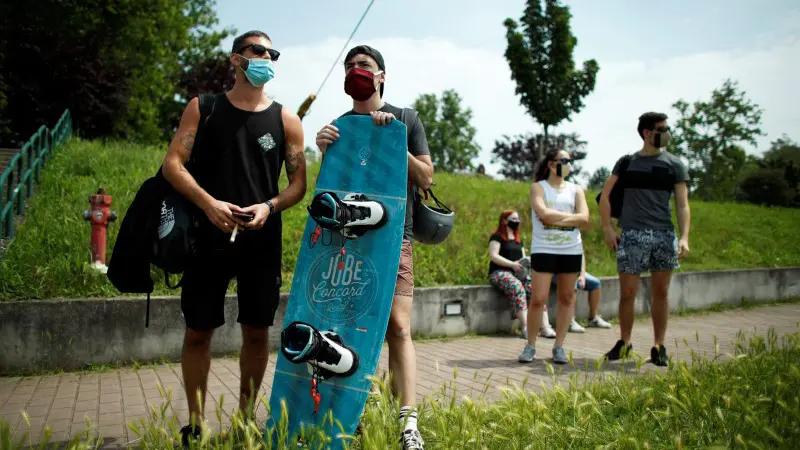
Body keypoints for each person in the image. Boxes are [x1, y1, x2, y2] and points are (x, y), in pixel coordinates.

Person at [161, 30, 307, 445]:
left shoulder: (285, 119)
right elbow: (173, 163)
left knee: (257, 332)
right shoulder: (203, 108)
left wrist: (269, 207)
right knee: (198, 332)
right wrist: (209, 204)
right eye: (258, 51)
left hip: (261, 241)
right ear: (236, 60)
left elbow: (298, 184)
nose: (267, 58)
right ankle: (195, 423)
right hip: (206, 238)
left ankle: (244, 422)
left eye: (272, 53)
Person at [314, 45, 432, 450]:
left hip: (394, 237)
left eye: (363, 66)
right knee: (348, 330)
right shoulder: (340, 125)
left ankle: (408, 424)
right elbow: (327, 191)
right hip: (346, 242)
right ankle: (353, 414)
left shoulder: (406, 119)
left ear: (381, 76)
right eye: (349, 66)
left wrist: (394, 138)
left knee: (398, 327)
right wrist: (324, 149)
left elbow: (427, 177)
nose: (355, 71)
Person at [599, 111, 690, 367]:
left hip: (664, 235)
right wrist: (607, 228)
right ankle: (624, 342)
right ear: (647, 133)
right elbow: (605, 195)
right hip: (631, 235)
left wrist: (684, 237)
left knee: (661, 292)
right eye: (662, 128)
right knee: (628, 293)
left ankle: (659, 346)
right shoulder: (626, 163)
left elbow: (683, 205)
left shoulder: (675, 164)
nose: (667, 132)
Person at [519, 148, 590, 365]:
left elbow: (585, 218)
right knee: (538, 298)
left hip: (571, 249)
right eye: (564, 160)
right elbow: (544, 213)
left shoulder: (576, 190)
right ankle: (530, 345)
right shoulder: (538, 188)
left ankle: (559, 346)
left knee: (567, 297)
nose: (568, 164)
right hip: (544, 248)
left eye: (570, 161)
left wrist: (555, 219)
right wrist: (571, 218)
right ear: (551, 164)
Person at [487, 210, 556, 339]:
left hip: (519, 273)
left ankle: (545, 327)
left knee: (536, 291)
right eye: (513, 219)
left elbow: (523, 258)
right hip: (500, 272)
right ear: (504, 220)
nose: (516, 221)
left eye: (518, 219)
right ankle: (526, 327)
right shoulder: (497, 237)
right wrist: (512, 264)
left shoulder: (518, 240)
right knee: (517, 287)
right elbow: (493, 256)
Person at [555, 249, 612, 333]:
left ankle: (593, 319)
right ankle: (569, 322)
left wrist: (581, 275)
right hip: (556, 271)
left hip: (574, 270)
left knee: (595, 283)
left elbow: (581, 256)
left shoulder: (577, 239)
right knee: (572, 284)